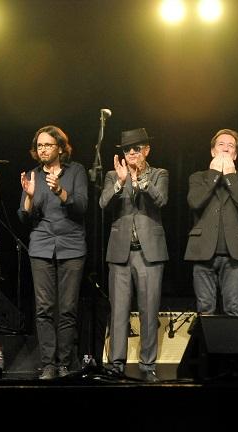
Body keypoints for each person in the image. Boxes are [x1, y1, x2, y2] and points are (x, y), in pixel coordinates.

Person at [18, 125, 88, 380]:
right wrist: (28, 197)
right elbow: (24, 217)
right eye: (39, 146)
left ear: (60, 147)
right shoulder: (32, 175)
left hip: (71, 246)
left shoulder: (76, 171)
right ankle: (48, 364)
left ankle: (65, 362)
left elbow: (81, 206)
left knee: (67, 308)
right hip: (41, 246)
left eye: (48, 145)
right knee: (44, 308)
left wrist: (59, 190)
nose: (43, 149)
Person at [99, 128, 168, 382]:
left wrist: (141, 182)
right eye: (127, 149)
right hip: (120, 252)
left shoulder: (159, 174)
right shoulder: (112, 175)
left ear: (146, 150)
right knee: (118, 310)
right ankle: (116, 364)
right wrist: (120, 182)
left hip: (149, 253)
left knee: (149, 310)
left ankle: (148, 365)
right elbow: (103, 203)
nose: (130, 153)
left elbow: (161, 200)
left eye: (136, 149)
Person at [184, 129, 238, 316]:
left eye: (230, 146)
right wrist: (214, 174)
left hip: (234, 254)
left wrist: (230, 176)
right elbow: (195, 202)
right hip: (202, 251)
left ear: (235, 154)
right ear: (213, 152)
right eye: (221, 145)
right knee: (205, 309)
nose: (225, 149)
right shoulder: (198, 177)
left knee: (233, 308)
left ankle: (232, 346)